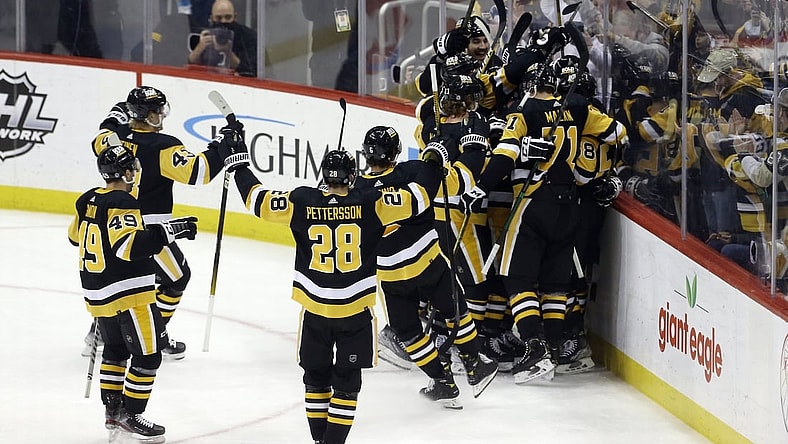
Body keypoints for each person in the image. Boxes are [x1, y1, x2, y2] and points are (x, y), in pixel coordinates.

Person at [217, 126, 448, 442]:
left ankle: (319, 441)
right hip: (355, 312)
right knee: (347, 382)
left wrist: (239, 163)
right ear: (353, 177)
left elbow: (258, 201)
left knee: (315, 379)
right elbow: (421, 196)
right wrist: (435, 161)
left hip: (316, 309)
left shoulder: (302, 201)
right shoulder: (372, 202)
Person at [460, 33, 627, 384]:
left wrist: (480, 186)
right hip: (570, 206)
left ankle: (534, 349)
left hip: (534, 202)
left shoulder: (523, 114)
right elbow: (617, 134)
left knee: (517, 278)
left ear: (530, 86)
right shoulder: (580, 109)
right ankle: (553, 349)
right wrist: (588, 171)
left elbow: (503, 159)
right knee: (554, 284)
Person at [355, 126, 498, 406]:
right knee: (455, 310)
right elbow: (458, 181)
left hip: (392, 275)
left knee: (407, 331)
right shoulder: (411, 171)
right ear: (395, 152)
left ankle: (442, 380)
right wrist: (448, 149)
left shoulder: (357, 191)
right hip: (429, 263)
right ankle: (474, 363)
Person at [69, 140, 199, 443]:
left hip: (99, 295)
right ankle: (131, 415)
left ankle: (113, 412)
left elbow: (74, 237)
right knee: (148, 357)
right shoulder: (123, 202)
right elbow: (130, 247)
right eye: (131, 169)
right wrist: (171, 230)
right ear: (124, 172)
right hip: (130, 295)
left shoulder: (87, 198)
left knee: (115, 352)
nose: (135, 173)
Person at [86, 86, 229, 360]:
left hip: (116, 222)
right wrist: (223, 147)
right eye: (156, 110)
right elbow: (198, 172)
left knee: (127, 281)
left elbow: (99, 139)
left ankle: (100, 332)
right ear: (146, 114)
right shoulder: (163, 145)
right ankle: (155, 334)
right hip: (148, 228)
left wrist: (113, 119)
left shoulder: (116, 138)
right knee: (177, 277)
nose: (161, 114)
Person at [188, 0, 258, 76]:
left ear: (235, 17)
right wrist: (200, 47)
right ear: (211, 18)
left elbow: (249, 71)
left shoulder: (248, 36)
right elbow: (191, 64)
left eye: (228, 17)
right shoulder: (205, 33)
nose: (223, 21)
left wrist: (228, 52)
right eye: (218, 18)